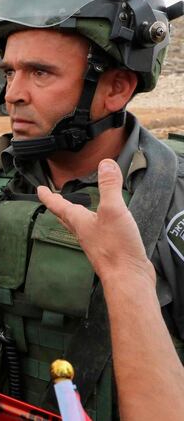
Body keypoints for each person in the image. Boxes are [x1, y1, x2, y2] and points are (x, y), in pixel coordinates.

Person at [0, 0, 184, 419]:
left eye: (40, 73)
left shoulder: (171, 197)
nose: (12, 94)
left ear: (117, 88)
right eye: (9, 71)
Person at [39, 158, 184, 421]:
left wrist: (125, 269)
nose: (14, 112)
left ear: (112, 111)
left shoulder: (173, 192)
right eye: (10, 110)